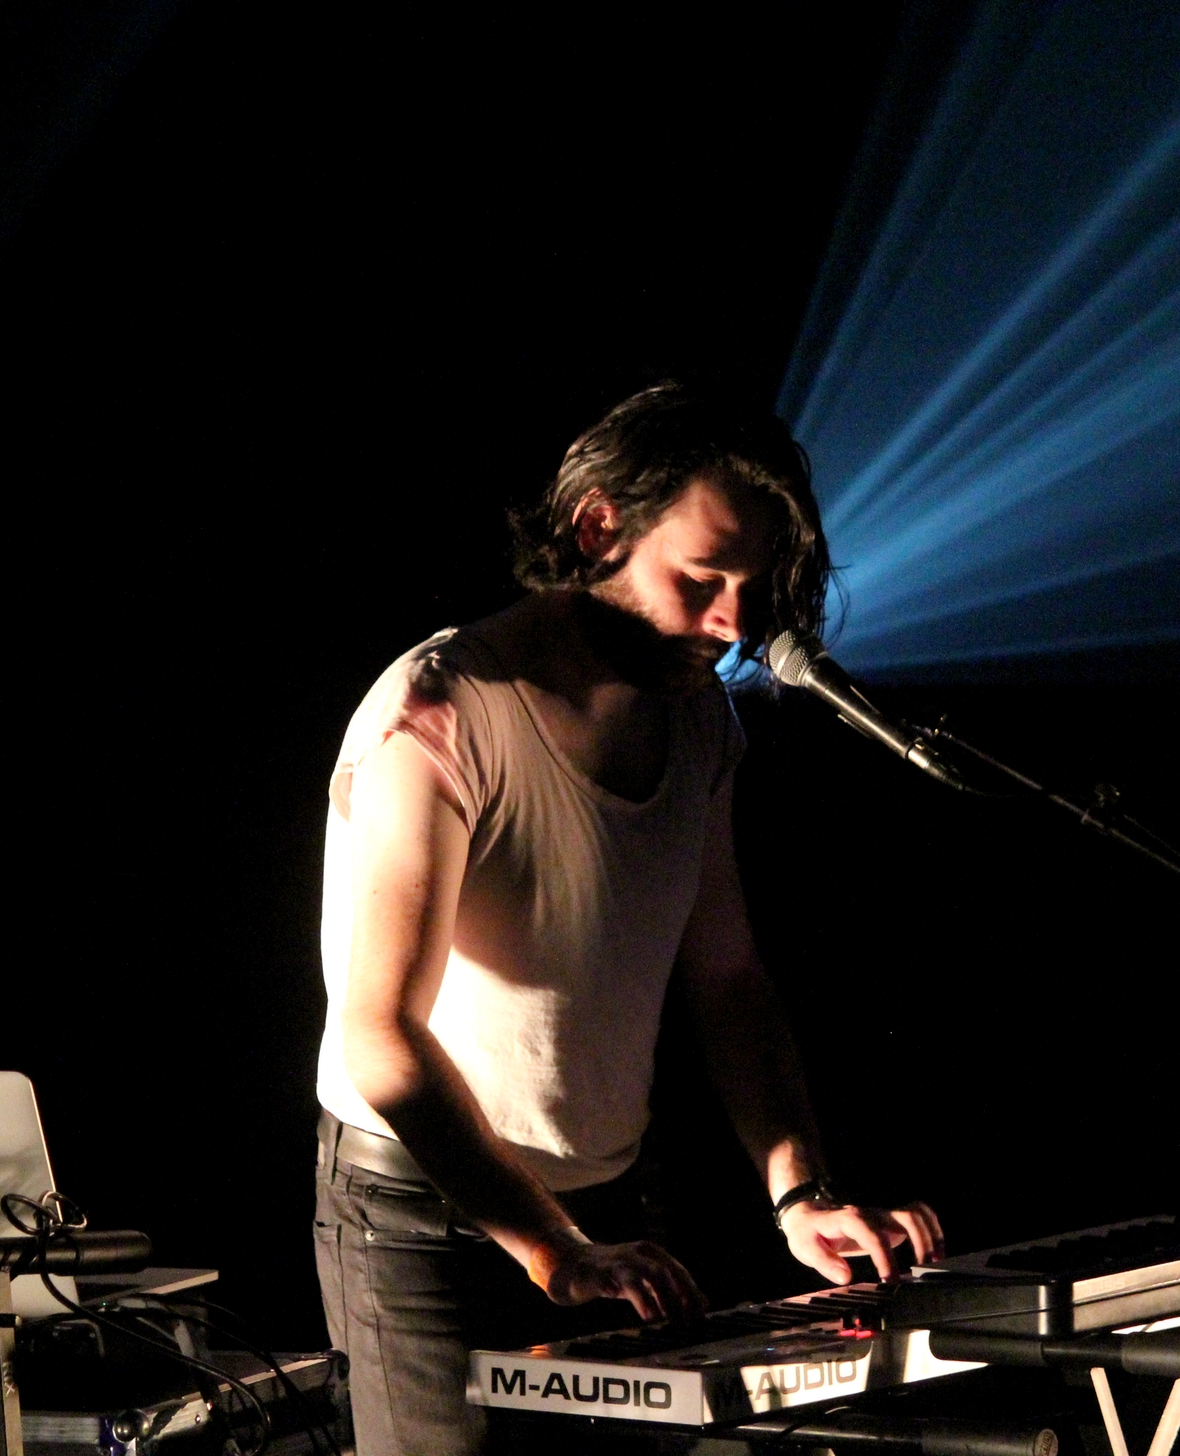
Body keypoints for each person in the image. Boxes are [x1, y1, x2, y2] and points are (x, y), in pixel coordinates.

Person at [310, 383, 944, 1453]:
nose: (733, 623)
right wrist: (551, 1248)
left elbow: (729, 980)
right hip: (422, 1220)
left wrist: (801, 1193)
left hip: (607, 1205)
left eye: (750, 588)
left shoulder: (701, 724)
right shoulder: (441, 712)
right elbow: (378, 1033)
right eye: (701, 579)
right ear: (597, 527)